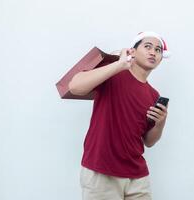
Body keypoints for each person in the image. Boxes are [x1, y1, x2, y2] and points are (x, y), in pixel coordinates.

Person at [69, 31, 170, 200]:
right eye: (147, 46)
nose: (153, 52)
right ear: (133, 51)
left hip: (138, 176)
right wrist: (118, 65)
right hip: (102, 171)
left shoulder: (153, 95)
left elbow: (149, 141)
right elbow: (75, 86)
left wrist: (160, 123)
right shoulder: (113, 74)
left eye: (158, 50)